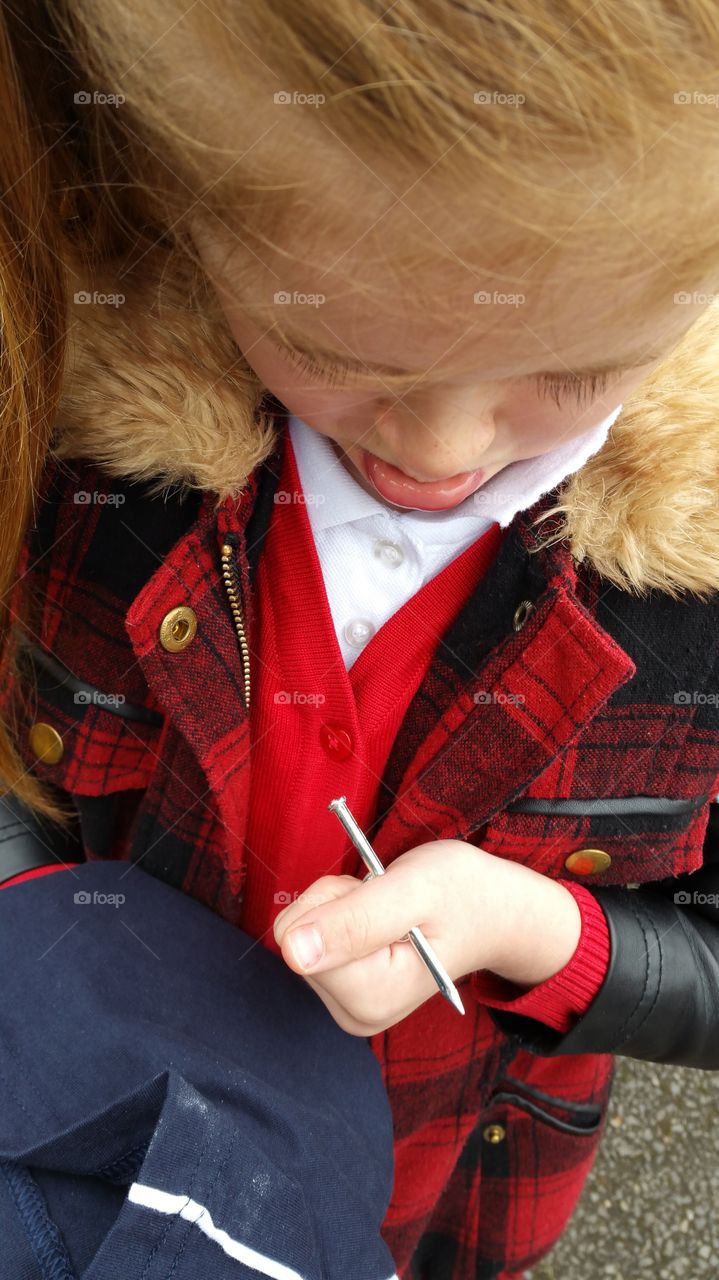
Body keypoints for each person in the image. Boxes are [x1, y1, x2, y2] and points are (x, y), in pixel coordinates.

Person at [0, 1, 718, 1276]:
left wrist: (542, 933)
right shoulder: (60, 420)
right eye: (333, 346)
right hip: (101, 1114)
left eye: (570, 367)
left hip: (458, 1163)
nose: (437, 453)